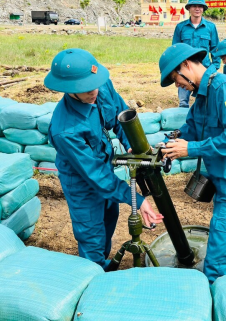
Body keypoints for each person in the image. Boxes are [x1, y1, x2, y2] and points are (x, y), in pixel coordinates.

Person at [45, 48, 163, 270]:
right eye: (87, 89)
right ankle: (93, 272)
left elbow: (119, 116)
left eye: (95, 84)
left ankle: (103, 262)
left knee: (110, 218)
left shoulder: (100, 86)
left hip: (104, 169)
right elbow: (95, 175)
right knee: (92, 234)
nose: (95, 92)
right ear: (70, 90)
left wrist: (130, 144)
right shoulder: (65, 130)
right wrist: (136, 198)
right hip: (82, 181)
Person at [159, 43, 226, 283]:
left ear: (186, 65)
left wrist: (190, 149)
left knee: (217, 256)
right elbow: (192, 129)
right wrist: (167, 145)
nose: (178, 85)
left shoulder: (222, 87)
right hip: (224, 176)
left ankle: (214, 293)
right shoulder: (203, 95)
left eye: (176, 79)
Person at [172, 0, 220, 108]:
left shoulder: (210, 27)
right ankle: (184, 123)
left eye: (200, 6)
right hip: (185, 70)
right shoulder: (180, 27)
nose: (197, 9)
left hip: (204, 70)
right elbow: (176, 49)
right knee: (183, 103)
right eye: (194, 6)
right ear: (189, 8)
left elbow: (215, 49)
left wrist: (214, 68)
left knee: (205, 102)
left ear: (203, 9)